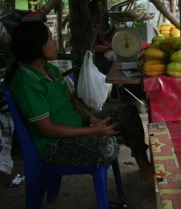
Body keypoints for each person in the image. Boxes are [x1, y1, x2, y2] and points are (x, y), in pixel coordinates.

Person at [6, 21, 153, 182]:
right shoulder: (26, 82)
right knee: (107, 146)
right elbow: (48, 130)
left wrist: (91, 119)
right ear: (37, 46)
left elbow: (72, 100)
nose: (54, 42)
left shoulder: (51, 70)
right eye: (49, 38)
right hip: (55, 144)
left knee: (128, 112)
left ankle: (144, 167)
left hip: (79, 127)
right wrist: (93, 131)